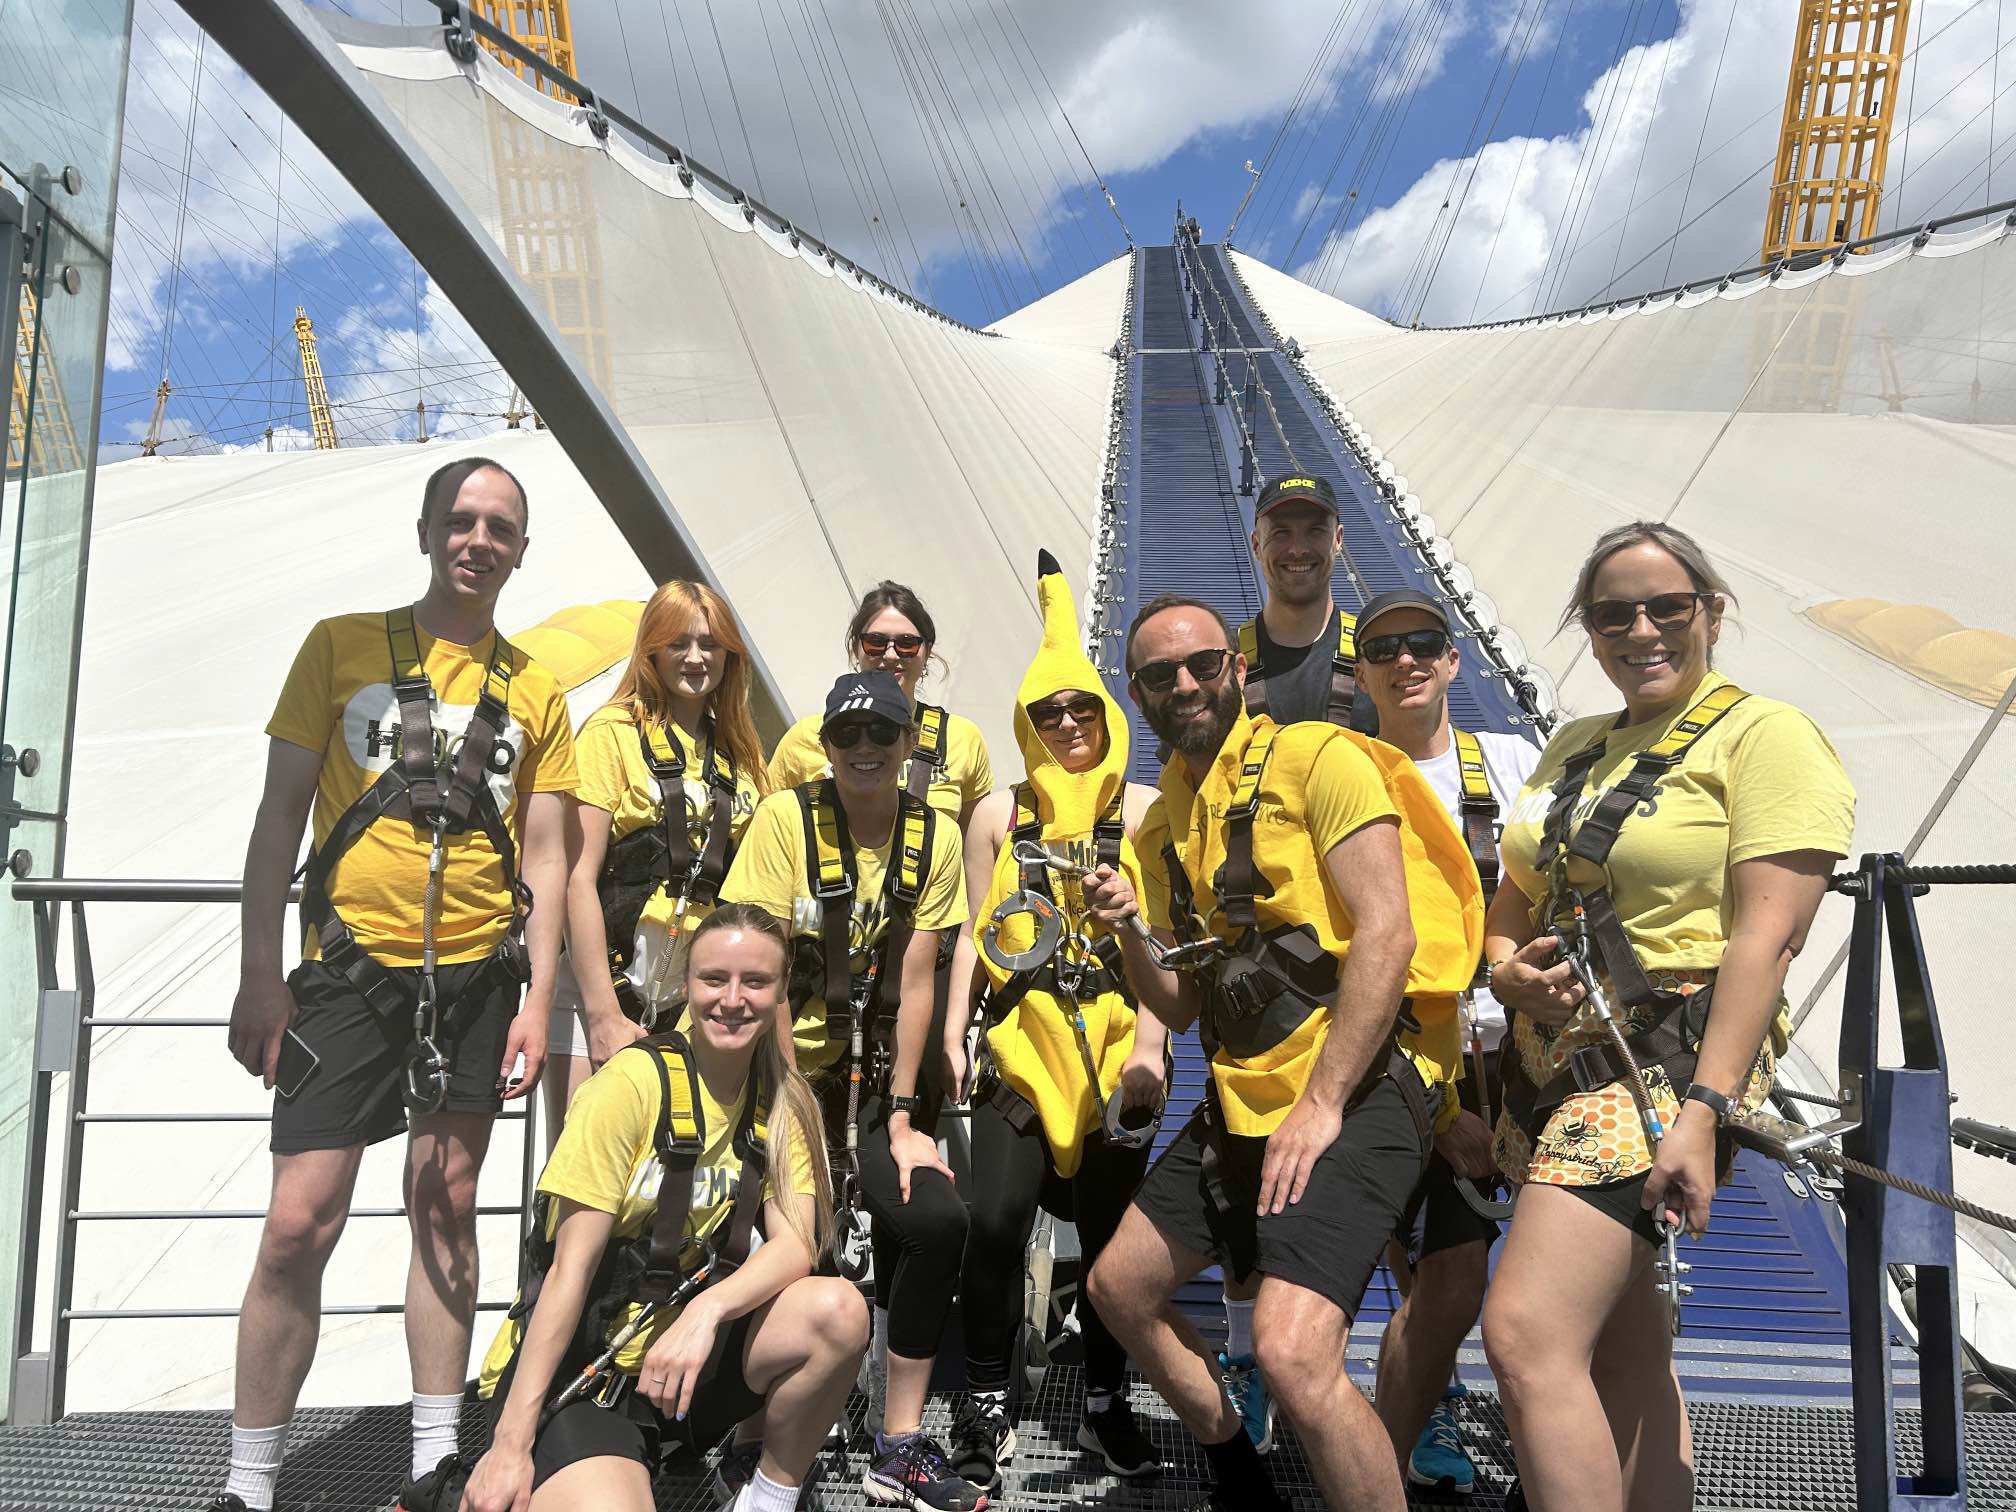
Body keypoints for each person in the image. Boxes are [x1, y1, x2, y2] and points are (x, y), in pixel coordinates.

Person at [208, 458, 577, 1512]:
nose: (477, 540)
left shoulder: (535, 687)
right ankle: (249, 1482)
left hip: (475, 977)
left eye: (499, 527)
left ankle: (430, 1463)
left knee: (446, 1205)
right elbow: (280, 816)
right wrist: (260, 978)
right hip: (347, 972)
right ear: (425, 532)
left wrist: (533, 1002)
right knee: (298, 1220)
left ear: (519, 550)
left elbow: (548, 860)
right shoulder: (339, 646)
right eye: (460, 520)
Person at [1479, 522, 1853, 1512]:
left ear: (1711, 613)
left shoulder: (1765, 738)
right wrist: (1507, 971)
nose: (1640, 629)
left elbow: (1766, 942)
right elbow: (1512, 896)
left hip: (1658, 1080)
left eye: (1666, 607)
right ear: (1588, 630)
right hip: (1551, 1068)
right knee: (1621, 1346)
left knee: (1525, 1335)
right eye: (1612, 614)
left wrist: (1705, 1111)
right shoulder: (1575, 743)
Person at [1080, 594, 1482, 1512]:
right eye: (1158, 674)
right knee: (1118, 1287)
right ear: (1137, 693)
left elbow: (1388, 935)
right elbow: (1180, 1006)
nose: (1184, 684)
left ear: (1237, 668)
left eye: (1204, 663)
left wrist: (1324, 1102)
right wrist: (1130, 933)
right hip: (1248, 1097)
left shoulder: (1318, 758)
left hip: (1362, 1082)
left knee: (1294, 1351)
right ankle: (1241, 1480)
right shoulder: (1158, 827)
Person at [444, 904, 863, 1512]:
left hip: (690, 1359)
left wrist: (709, 1312)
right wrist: (510, 1442)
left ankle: (765, 1498)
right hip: (592, 1372)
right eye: (713, 979)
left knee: (840, 1311)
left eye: (756, 982)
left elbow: (797, 1243)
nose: (733, 1000)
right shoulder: (628, 1087)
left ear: (780, 996)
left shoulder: (782, 1102)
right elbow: (567, 1272)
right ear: (687, 984)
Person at [721, 670, 983, 1512]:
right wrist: (775, 1107)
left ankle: (897, 1444)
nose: (865, 750)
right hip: (781, 1071)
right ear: (825, 746)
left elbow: (914, 978)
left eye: (883, 735)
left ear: (910, 744)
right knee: (787, 1239)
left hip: (870, 1080)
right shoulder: (784, 821)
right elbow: (750, 968)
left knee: (935, 1218)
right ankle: (758, 1435)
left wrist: (903, 1118)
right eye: (847, 737)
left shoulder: (932, 837)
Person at [940, 552, 1169, 1491]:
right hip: (1023, 1045)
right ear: (1026, 725)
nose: (1068, 726)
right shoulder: (1000, 811)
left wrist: (1153, 1049)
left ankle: (1106, 1403)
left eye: (1082, 710)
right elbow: (971, 931)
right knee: (994, 1222)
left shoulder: (1146, 811)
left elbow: (1164, 946)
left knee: (1111, 1244)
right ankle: (986, 1400)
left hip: (1116, 1045)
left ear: (1107, 717)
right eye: (1048, 714)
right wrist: (957, 1031)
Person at [767, 582, 992, 1414]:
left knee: (912, 1198)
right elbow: (765, 929)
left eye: (907, 642)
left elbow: (949, 916)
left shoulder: (958, 752)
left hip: (901, 1011)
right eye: (875, 640)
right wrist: (782, 1088)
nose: (892, 653)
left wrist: (909, 1093)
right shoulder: (796, 777)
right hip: (810, 1022)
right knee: (800, 1213)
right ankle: (805, 1388)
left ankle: (894, 1391)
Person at [1349, 588, 1540, 1496]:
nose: (1406, 660)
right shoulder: (1348, 775)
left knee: (1543, 1292)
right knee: (1450, 1283)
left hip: (1528, 1057)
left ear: (1454, 660)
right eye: (1383, 649)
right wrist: (1435, 1107)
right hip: (1420, 1056)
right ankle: (1383, 1463)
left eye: (1424, 643)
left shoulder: (1515, 764)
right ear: (1360, 672)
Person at [1218, 468, 1371, 1453]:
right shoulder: (1227, 659)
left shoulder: (1380, 649)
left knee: (1368, 1174)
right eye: (1281, 527)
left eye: (1313, 528)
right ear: (1260, 538)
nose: (1298, 545)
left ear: (1338, 539)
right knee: (1243, 1163)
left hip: (1359, 948)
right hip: (1262, 960)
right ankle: (1250, 1360)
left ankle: (1363, 1371)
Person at [546, 581, 768, 1143]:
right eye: (679, 644)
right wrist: (601, 1016)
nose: (696, 658)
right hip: (604, 993)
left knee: (676, 1170)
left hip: (698, 1006)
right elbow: (578, 878)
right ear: (651, 651)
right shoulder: (612, 733)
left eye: (710, 645)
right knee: (585, 1164)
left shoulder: (740, 748)